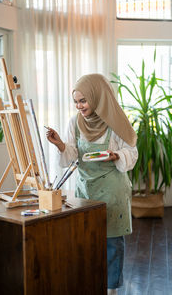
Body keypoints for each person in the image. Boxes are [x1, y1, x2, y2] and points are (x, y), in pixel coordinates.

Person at [46, 74, 138, 295]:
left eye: (83, 100)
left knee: (113, 242)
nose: (79, 106)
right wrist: (60, 145)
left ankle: (111, 288)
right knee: (86, 239)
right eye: (76, 101)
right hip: (85, 190)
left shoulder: (115, 122)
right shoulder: (75, 122)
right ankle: (91, 281)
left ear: (99, 97)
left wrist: (116, 155)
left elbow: (132, 153)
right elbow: (71, 155)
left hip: (113, 189)